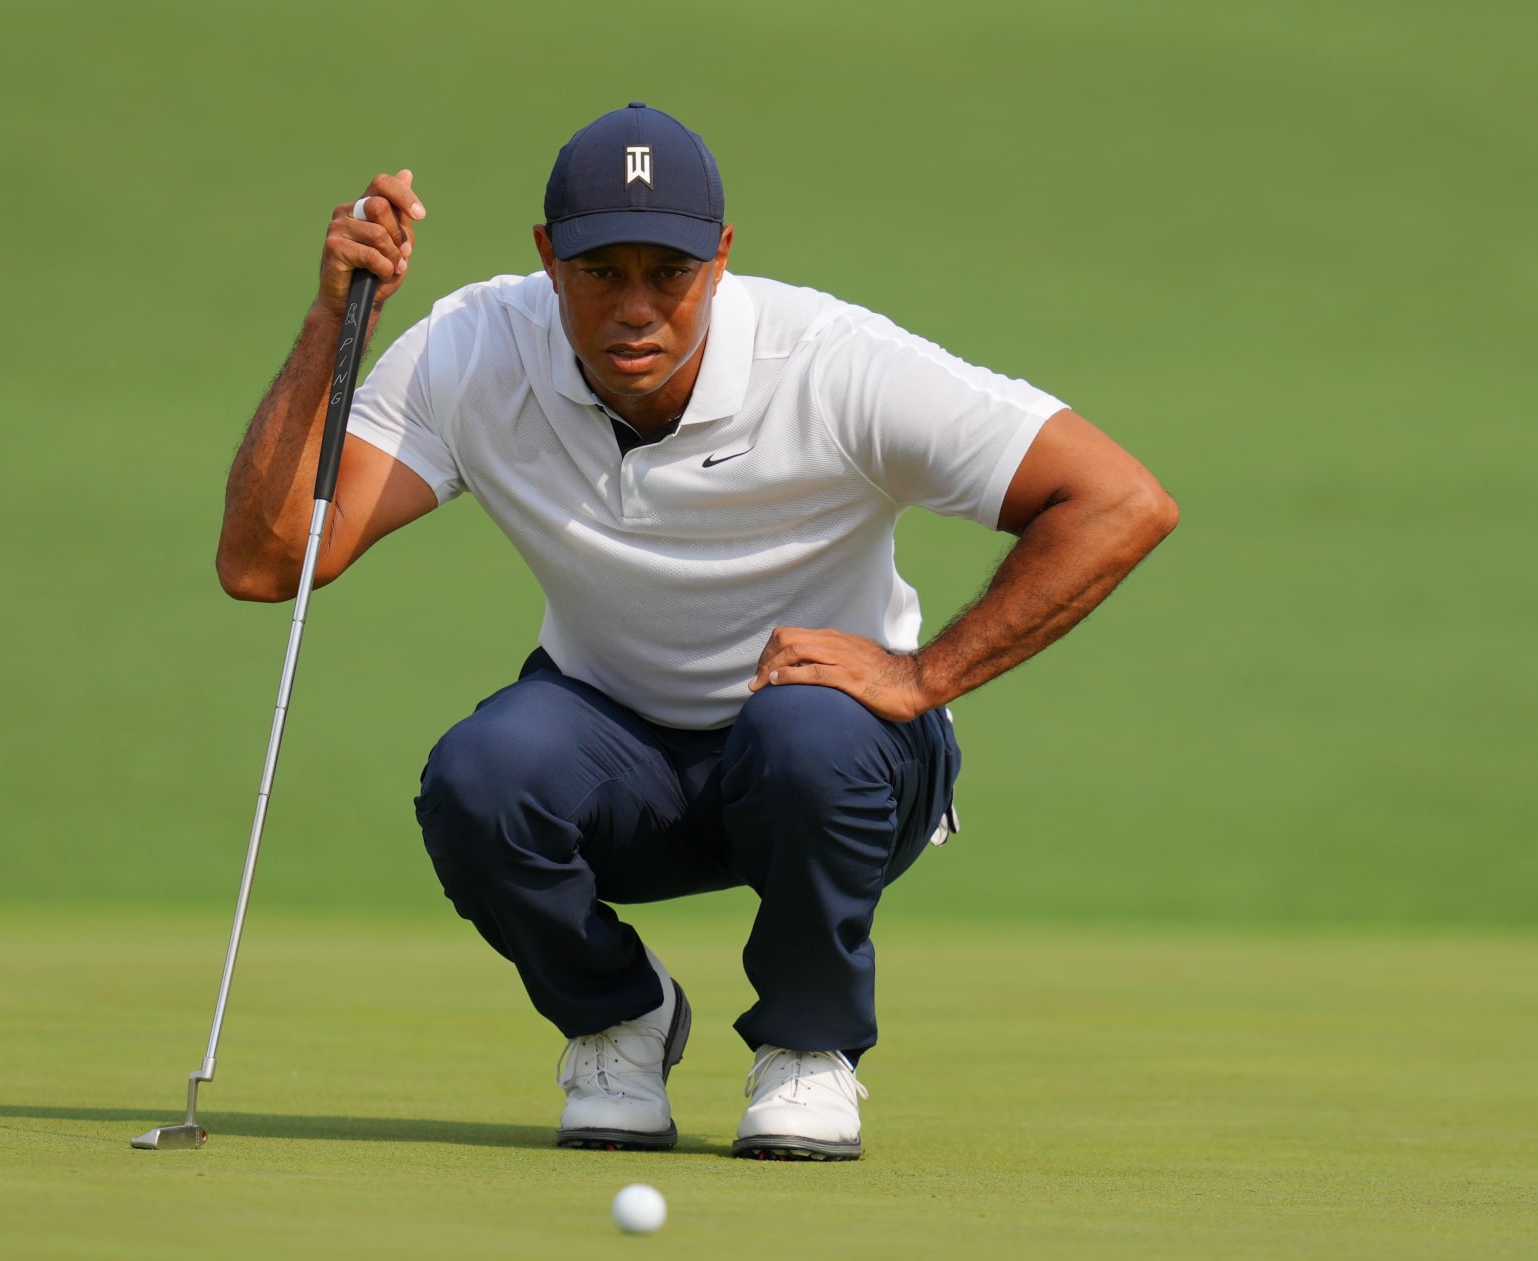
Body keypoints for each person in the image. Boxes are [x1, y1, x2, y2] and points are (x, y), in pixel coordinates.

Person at [216, 103, 1177, 1161]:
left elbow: (1120, 499)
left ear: (721, 257)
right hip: (619, 762)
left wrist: (924, 673)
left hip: (840, 765)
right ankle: (620, 1019)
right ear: (547, 259)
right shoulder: (472, 348)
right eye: (600, 273)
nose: (637, 309)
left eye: (668, 273)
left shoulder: (831, 361)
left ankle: (809, 1051)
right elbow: (267, 562)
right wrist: (330, 320)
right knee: (480, 778)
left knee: (807, 735)